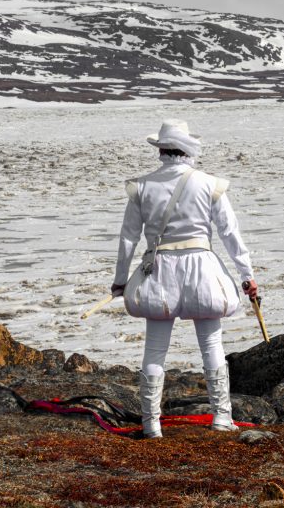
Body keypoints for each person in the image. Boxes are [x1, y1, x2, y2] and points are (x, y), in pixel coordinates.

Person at [110, 119, 257, 439]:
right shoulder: (209, 184)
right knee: (212, 344)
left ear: (161, 150)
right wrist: (247, 277)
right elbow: (231, 235)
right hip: (201, 270)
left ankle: (151, 425)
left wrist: (120, 281)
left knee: (154, 350)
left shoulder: (142, 186)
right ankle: (222, 417)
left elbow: (127, 239)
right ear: (187, 149)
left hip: (159, 271)